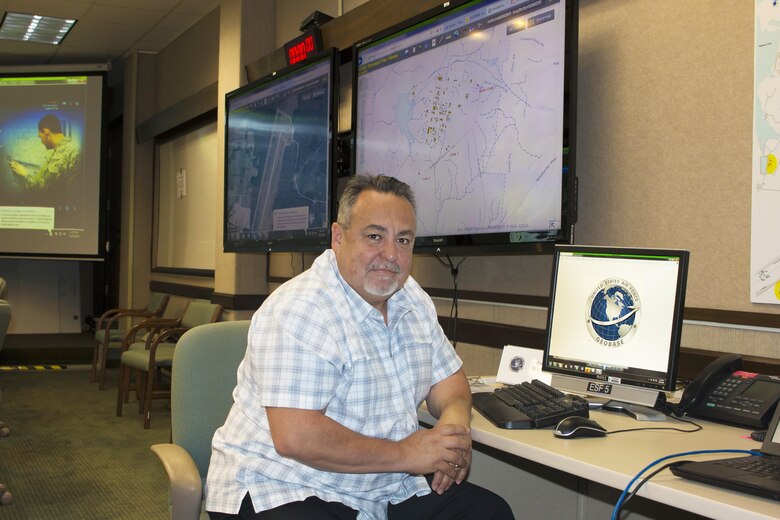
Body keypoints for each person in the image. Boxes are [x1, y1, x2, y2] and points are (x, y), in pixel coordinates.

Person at [206, 174, 514, 520]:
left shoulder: (411, 298)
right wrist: (407, 454)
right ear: (338, 237)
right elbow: (296, 437)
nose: (390, 255)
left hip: (380, 485)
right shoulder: (300, 308)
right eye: (374, 236)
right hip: (283, 484)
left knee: (489, 512)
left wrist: (453, 430)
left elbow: (449, 377)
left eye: (403, 240)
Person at [8, 114, 80, 190]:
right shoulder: (63, 149)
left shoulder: (64, 153)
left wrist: (24, 174)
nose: (41, 142)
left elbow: (45, 189)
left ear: (45, 132)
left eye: (40, 136)